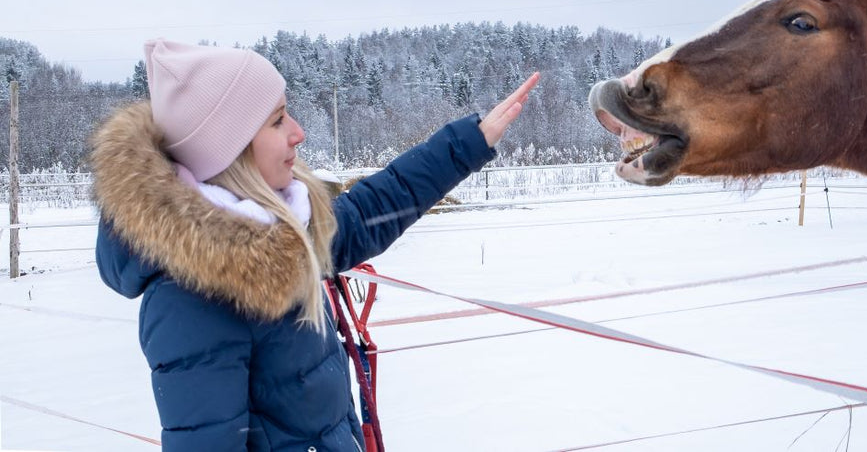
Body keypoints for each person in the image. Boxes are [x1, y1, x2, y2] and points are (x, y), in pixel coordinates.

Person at [92, 39, 539, 451]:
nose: (298, 132)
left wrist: (465, 145)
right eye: (277, 120)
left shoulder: (282, 235)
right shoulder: (190, 301)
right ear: (229, 150)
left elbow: (374, 208)